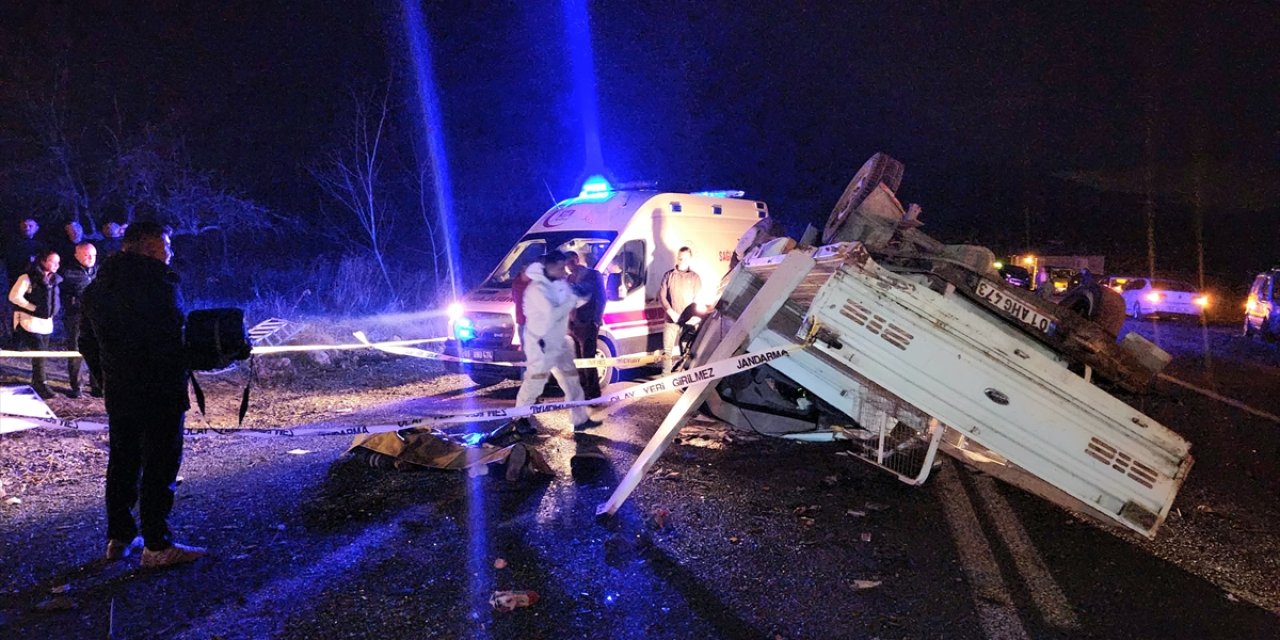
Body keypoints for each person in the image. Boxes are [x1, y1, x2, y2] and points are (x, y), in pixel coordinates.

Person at [79, 221, 206, 567]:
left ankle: (119, 538)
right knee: (160, 465)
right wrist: (205, 356)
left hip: (120, 392)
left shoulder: (95, 290)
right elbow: (168, 342)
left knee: (123, 463)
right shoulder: (159, 284)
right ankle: (157, 545)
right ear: (148, 246)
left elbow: (85, 342)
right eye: (166, 244)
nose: (170, 251)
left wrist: (107, 377)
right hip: (160, 390)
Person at [513, 250, 601, 434]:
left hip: (558, 342)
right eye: (561, 267)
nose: (565, 271)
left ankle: (579, 419)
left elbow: (578, 297)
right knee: (535, 382)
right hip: (541, 343)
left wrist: (584, 291)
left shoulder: (558, 284)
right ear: (550, 267)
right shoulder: (537, 289)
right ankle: (520, 419)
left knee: (572, 381)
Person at [8, 248, 62, 399]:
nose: (57, 265)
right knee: (39, 353)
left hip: (46, 322)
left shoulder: (54, 279)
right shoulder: (27, 278)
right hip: (29, 320)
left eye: (58, 262)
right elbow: (14, 296)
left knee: (42, 354)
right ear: (43, 261)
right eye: (53, 261)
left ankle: (37, 381)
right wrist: (33, 308)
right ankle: (41, 383)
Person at [60, 241, 101, 398]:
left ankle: (96, 385)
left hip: (96, 317)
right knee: (76, 350)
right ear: (77, 255)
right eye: (87, 255)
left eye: (94, 255)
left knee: (97, 350)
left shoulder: (99, 271)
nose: (91, 258)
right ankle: (76, 386)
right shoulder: (67, 273)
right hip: (76, 316)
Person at [567, 250, 606, 399]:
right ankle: (582, 392)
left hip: (588, 323)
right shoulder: (569, 278)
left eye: (571, 262)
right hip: (573, 324)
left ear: (577, 260)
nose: (569, 266)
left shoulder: (593, 275)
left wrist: (596, 319)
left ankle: (594, 394)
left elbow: (602, 298)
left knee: (588, 359)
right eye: (567, 264)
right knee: (577, 359)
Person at [658, 246, 702, 374]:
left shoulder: (695, 278)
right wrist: (670, 311)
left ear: (690, 259)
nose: (682, 261)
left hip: (687, 322)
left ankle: (685, 377)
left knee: (688, 350)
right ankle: (665, 378)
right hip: (670, 320)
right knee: (667, 351)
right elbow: (661, 296)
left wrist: (694, 318)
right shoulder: (669, 275)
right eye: (680, 258)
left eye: (685, 259)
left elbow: (697, 299)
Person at [3, 218, 42, 288]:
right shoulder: (13, 244)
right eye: (24, 226)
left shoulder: (40, 246)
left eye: (30, 226)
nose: (27, 228)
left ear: (36, 228)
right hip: (15, 277)